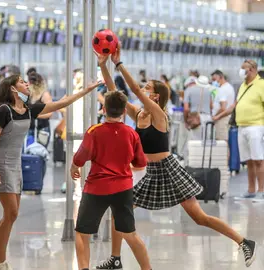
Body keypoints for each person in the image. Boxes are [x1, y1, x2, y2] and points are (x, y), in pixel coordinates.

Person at [96, 48, 256, 269]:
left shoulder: (159, 115)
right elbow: (114, 91)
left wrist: (119, 63)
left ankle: (244, 241)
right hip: (148, 172)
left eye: (147, 89)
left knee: (200, 218)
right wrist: (104, 65)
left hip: (168, 169)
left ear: (155, 96)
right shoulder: (139, 114)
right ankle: (116, 259)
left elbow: (132, 88)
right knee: (120, 210)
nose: (142, 90)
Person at [0, 75, 102, 270]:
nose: (26, 84)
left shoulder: (28, 110)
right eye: (22, 82)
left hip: (15, 163)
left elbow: (61, 103)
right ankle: (0, 262)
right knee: (12, 213)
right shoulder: (3, 110)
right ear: (12, 89)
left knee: (10, 215)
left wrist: (86, 91)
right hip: (2, 163)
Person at [72, 90, 152, 270]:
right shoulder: (131, 133)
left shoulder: (94, 131)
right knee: (130, 234)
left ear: (104, 109)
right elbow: (140, 163)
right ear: (124, 111)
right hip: (123, 189)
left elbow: (80, 157)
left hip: (96, 188)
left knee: (82, 233)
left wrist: (74, 166)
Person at [217, 60, 264, 200]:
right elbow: (234, 106)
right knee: (248, 160)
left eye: (244, 69)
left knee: (258, 160)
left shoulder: (261, 84)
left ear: (252, 69)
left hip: (256, 126)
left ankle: (261, 190)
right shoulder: (243, 85)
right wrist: (218, 116)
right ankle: (251, 190)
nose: (241, 71)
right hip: (241, 126)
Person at [183, 75, 212, 140]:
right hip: (208, 118)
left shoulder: (188, 90)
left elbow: (186, 109)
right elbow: (211, 106)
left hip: (196, 119)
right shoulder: (208, 90)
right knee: (206, 143)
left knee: (195, 144)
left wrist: (185, 121)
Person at [28, 73, 53, 147]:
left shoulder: (45, 95)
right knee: (29, 152)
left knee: (40, 152)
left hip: (42, 129)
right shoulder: (29, 95)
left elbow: (50, 113)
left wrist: (36, 115)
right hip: (30, 128)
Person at [210, 70, 235, 141]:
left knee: (222, 142)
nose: (213, 82)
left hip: (222, 119)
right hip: (225, 118)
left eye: (214, 79)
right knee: (224, 142)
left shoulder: (222, 89)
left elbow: (223, 107)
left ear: (221, 77)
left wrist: (215, 116)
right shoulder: (229, 87)